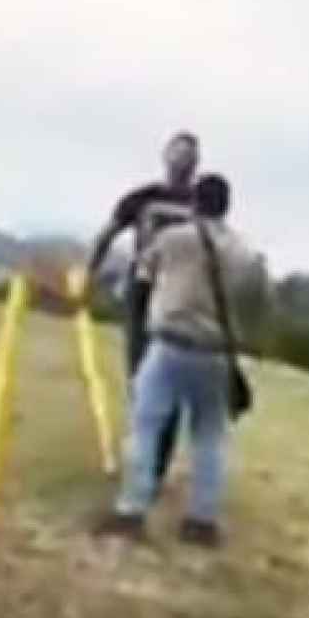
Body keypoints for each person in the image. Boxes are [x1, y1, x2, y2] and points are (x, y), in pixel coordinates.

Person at [95, 173, 269, 546]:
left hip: (170, 345)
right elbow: (258, 305)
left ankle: (132, 510)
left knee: (146, 427)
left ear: (194, 203)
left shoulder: (172, 240)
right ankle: (201, 521)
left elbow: (140, 279)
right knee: (209, 438)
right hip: (218, 353)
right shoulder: (247, 254)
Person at [82, 130, 199, 493]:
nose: (182, 160)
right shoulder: (143, 197)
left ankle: (155, 466)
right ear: (165, 157)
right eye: (177, 152)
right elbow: (107, 233)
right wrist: (89, 273)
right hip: (143, 294)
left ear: (195, 165)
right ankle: (142, 459)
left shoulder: (202, 204)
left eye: (189, 155)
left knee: (172, 381)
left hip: (182, 300)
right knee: (140, 377)